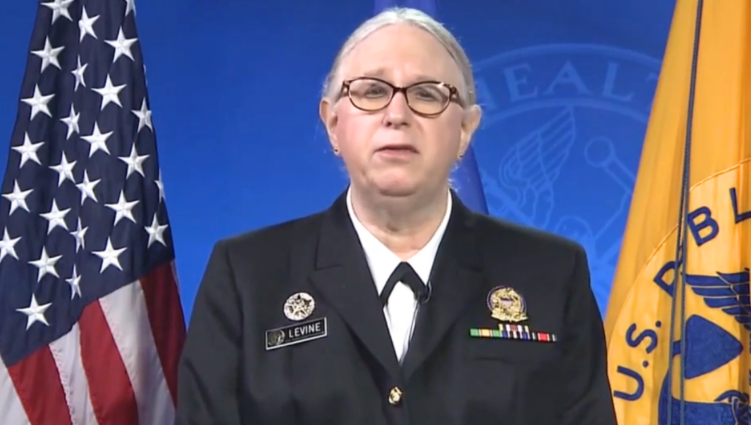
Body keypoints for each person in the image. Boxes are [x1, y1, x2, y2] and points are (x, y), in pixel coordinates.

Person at [176, 7, 617, 425]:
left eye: (427, 94)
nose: (397, 114)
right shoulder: (247, 278)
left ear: (465, 130)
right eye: (372, 91)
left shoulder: (551, 275)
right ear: (333, 124)